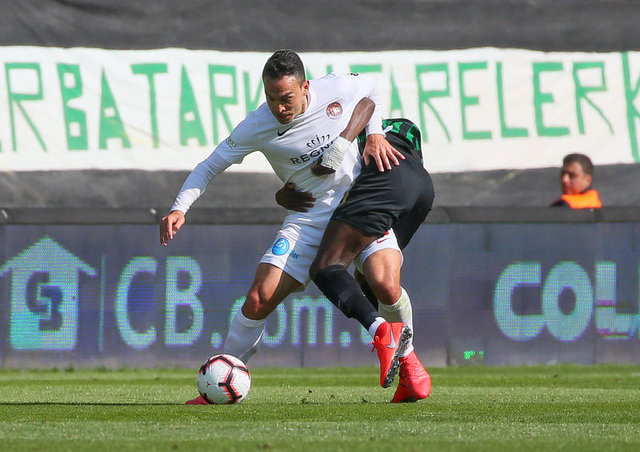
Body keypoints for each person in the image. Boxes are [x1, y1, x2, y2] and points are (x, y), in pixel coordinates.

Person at [159, 50, 409, 404]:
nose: (278, 107)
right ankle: (220, 382)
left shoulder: (335, 89)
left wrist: (375, 134)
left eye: (286, 98)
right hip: (308, 217)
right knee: (258, 298)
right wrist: (179, 207)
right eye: (271, 98)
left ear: (305, 87)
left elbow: (371, 89)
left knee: (386, 284)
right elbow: (209, 165)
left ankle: (408, 367)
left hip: (358, 207)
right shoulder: (256, 125)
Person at [276, 99, 434, 402]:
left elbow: (327, 169)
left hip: (380, 184)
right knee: (382, 282)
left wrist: (282, 194)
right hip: (420, 190)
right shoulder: (404, 127)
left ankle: (399, 350)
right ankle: (411, 375)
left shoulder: (338, 129)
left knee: (326, 266)